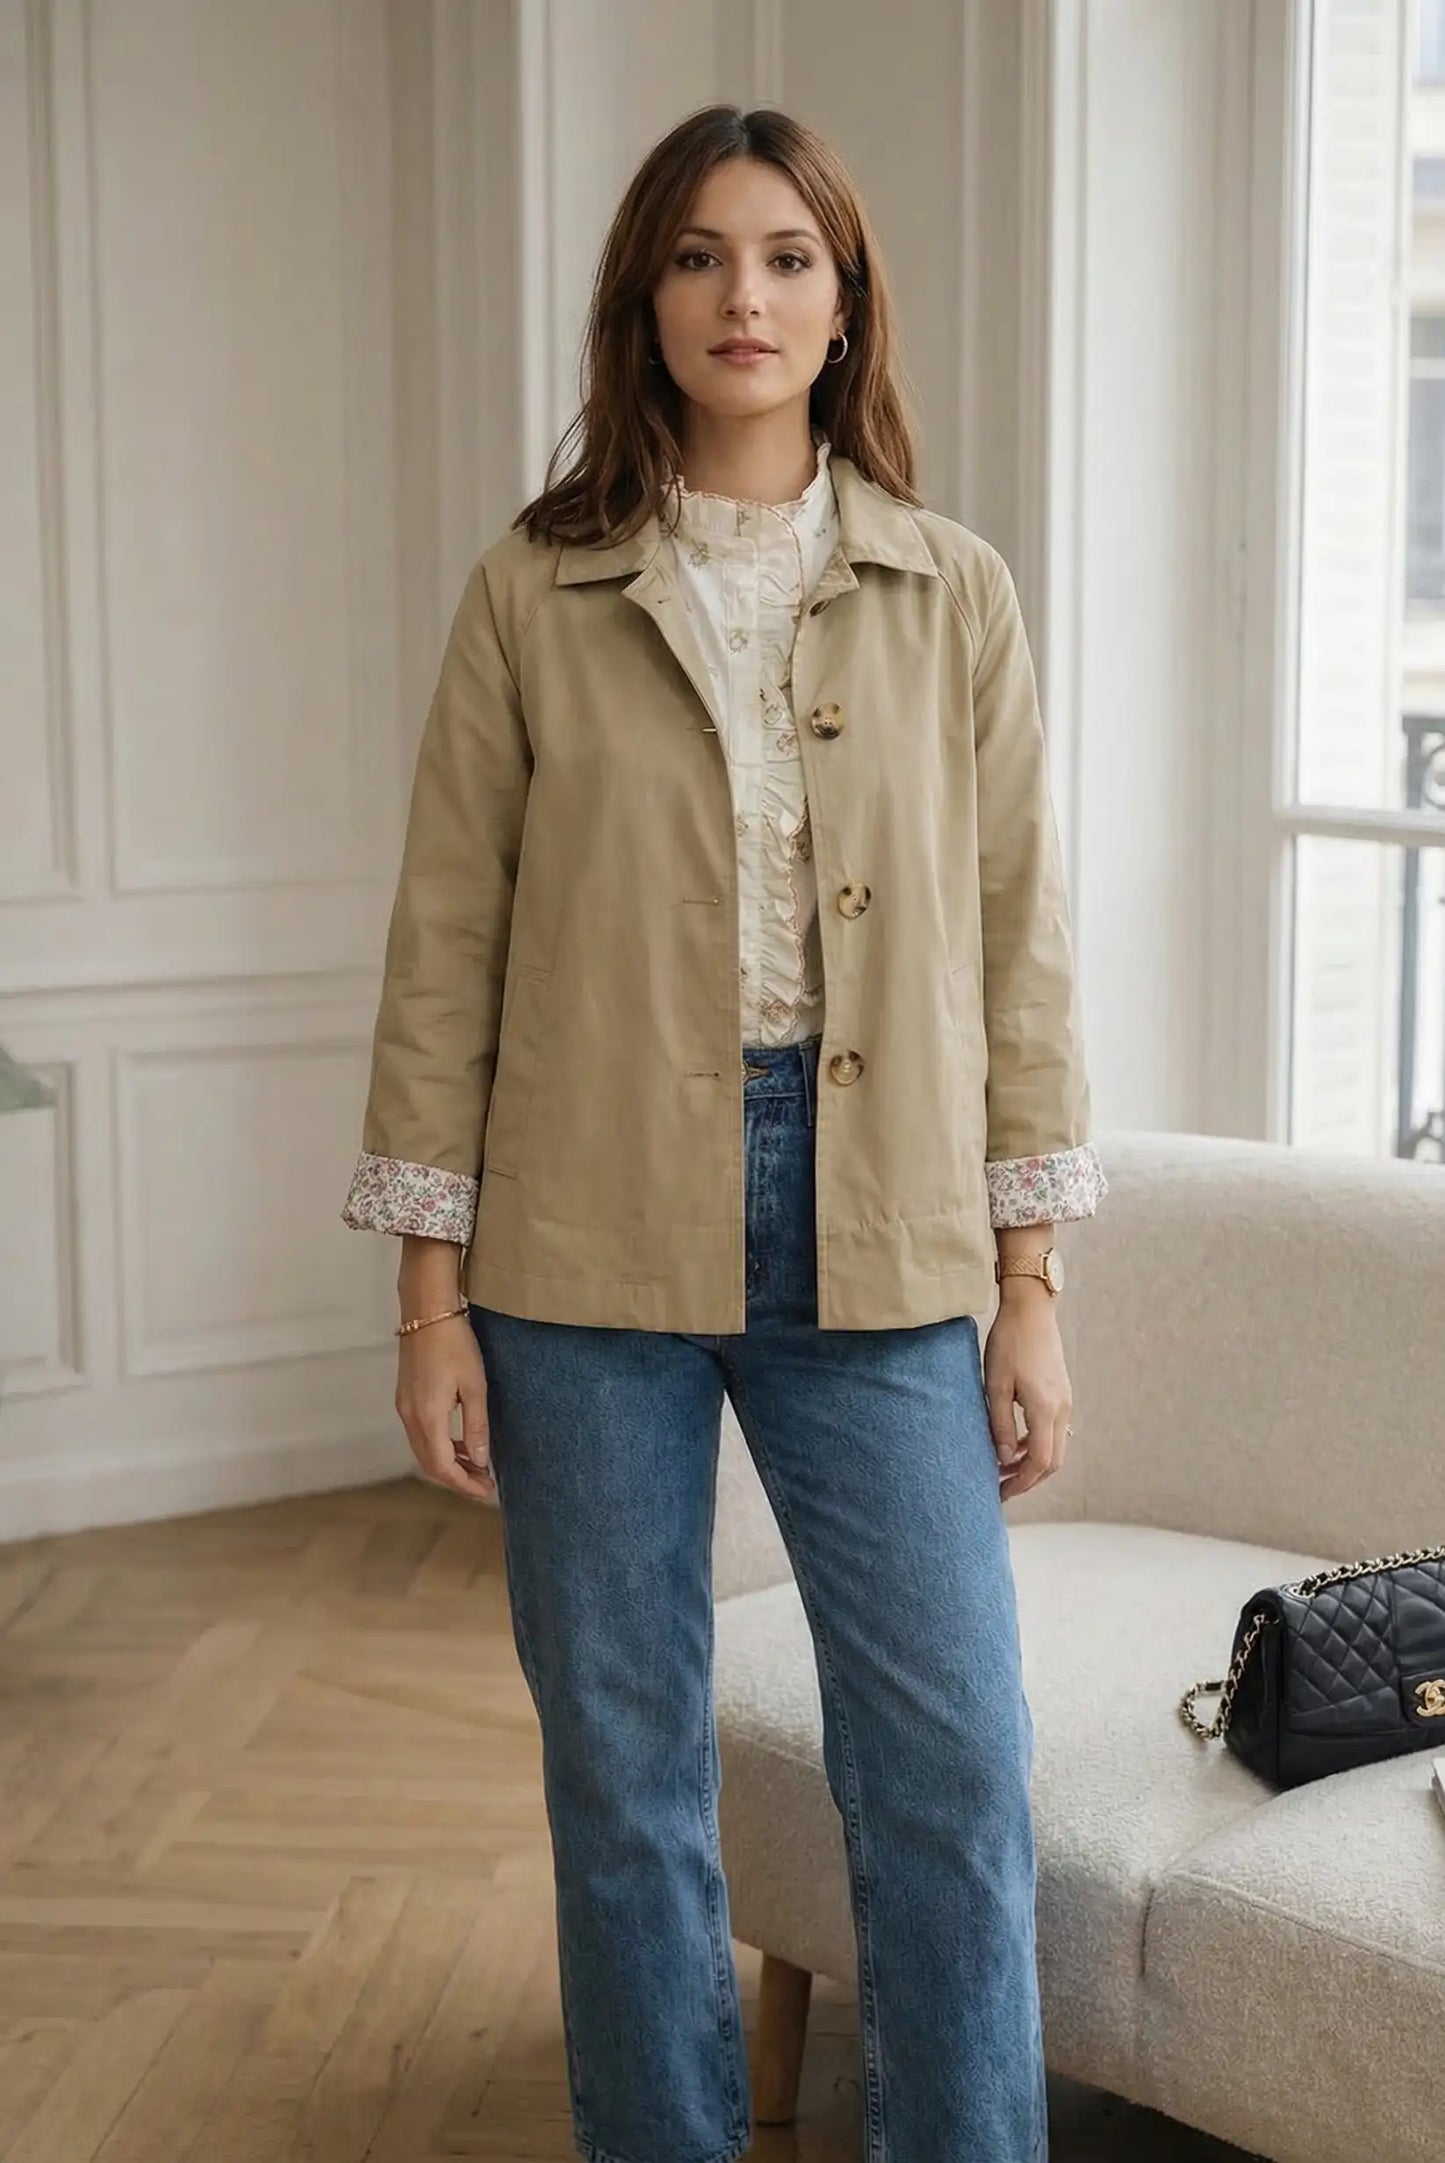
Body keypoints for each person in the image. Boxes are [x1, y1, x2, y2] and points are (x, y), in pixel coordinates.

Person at [342, 101, 1105, 2163]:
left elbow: (1022, 953)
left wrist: (1031, 1283)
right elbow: (446, 946)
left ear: (845, 304)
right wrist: (430, 1299)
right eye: (696, 255)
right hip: (578, 1237)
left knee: (950, 1762)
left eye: (784, 258)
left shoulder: (953, 591)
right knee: (623, 1771)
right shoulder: (535, 588)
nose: (740, 297)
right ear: (643, 300)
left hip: (882, 1225)